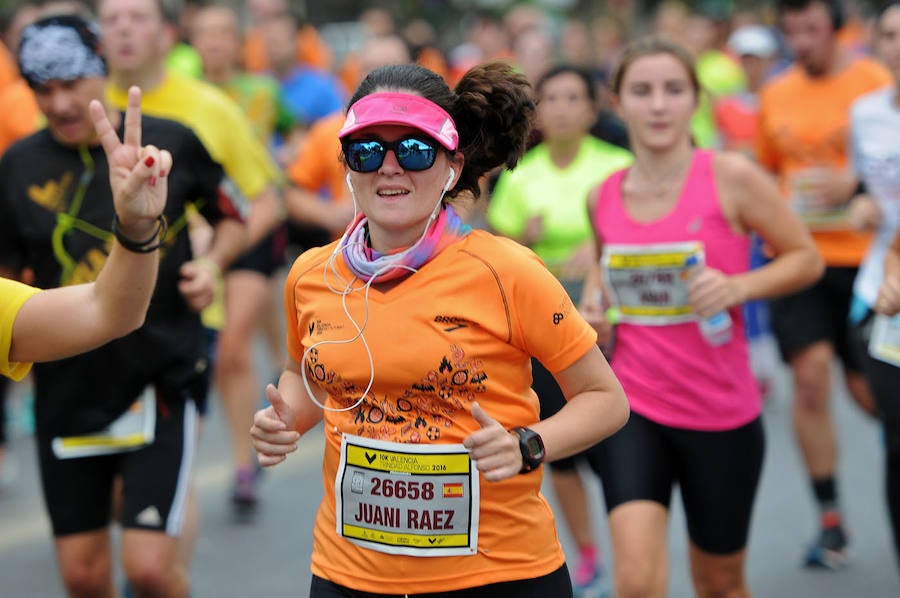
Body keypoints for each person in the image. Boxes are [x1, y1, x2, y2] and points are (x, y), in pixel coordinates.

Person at [250, 61, 630, 597]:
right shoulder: (312, 273)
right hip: (349, 574)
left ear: (453, 164)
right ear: (346, 166)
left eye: (414, 150)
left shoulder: (507, 271)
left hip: (499, 573)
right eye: (366, 150)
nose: (389, 168)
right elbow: (306, 376)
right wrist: (286, 417)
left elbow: (606, 398)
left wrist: (529, 444)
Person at [0, 14, 246, 597]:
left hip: (161, 371)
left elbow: (235, 216)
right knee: (84, 577)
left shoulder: (171, 141)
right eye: (43, 88)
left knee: (149, 569)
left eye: (71, 83)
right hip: (66, 385)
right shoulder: (16, 167)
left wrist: (211, 266)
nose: (58, 103)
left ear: (103, 70)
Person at [581, 36, 823, 597]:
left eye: (673, 90)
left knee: (718, 582)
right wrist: (593, 311)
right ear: (618, 103)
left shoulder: (731, 176)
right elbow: (603, 277)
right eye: (642, 91)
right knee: (637, 581)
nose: (658, 105)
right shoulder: (602, 196)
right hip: (632, 407)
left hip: (719, 410)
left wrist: (739, 286)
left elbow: (805, 259)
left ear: (696, 101)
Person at [98, 0, 286, 517]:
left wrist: (212, 256)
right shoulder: (75, 108)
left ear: (165, 33)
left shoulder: (212, 107)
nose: (124, 29)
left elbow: (264, 199)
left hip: (202, 283)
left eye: (137, 17)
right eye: (111, 19)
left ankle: (240, 466)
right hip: (107, 305)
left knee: (227, 358)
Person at [486, 63, 632, 598]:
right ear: (537, 113)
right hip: (542, 328)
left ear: (593, 110)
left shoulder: (618, 166)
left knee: (613, 441)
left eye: (575, 97)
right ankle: (588, 550)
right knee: (558, 447)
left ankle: (630, 547)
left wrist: (598, 250)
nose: (564, 107)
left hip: (609, 322)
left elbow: (640, 230)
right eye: (552, 98)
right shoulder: (521, 172)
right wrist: (522, 238)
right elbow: (496, 248)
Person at [756, 0, 891, 569]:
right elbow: (765, 171)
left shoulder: (875, 83)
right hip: (799, 257)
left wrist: (855, 184)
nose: (800, 41)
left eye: (810, 29)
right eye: (791, 32)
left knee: (869, 392)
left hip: (868, 263)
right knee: (809, 381)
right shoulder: (775, 94)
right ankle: (830, 519)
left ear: (836, 31)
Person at [846, 0, 900, 572]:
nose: (899, 45)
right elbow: (863, 187)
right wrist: (859, 203)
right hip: (886, 288)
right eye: (889, 34)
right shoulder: (866, 114)